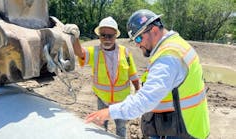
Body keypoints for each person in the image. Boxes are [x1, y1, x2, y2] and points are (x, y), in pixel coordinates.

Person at [85, 9, 210, 139]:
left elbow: (145, 100)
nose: (137, 44)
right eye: (134, 40)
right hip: (180, 126)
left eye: (139, 38)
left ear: (154, 30)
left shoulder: (168, 57)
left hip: (184, 131)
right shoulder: (174, 46)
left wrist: (109, 112)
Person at [63, 16, 140, 138]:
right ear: (99, 36)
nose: (106, 39)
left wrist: (138, 90)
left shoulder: (125, 52)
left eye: (110, 36)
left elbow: (132, 73)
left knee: (121, 127)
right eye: (103, 35)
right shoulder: (95, 52)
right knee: (101, 126)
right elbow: (80, 53)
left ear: (116, 36)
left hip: (121, 101)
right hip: (102, 98)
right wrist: (75, 37)